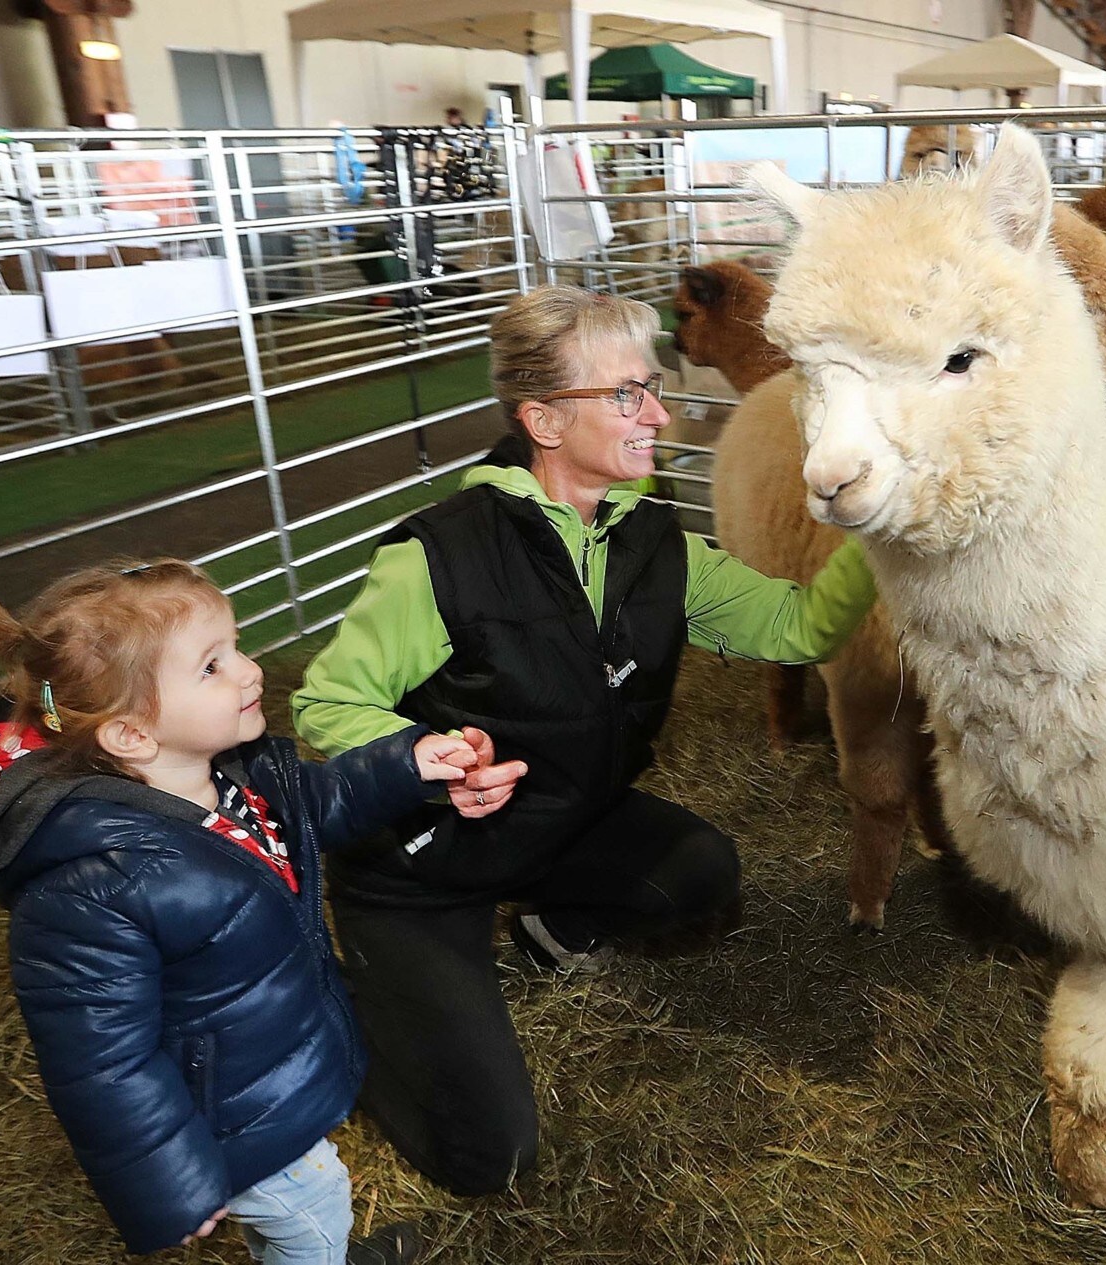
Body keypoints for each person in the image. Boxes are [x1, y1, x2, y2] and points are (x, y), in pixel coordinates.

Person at [290, 285, 881, 1196]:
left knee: (699, 870)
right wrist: (426, 762)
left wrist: (883, 531)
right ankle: (339, 1011)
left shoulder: (654, 542)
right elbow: (329, 702)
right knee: (492, 1157)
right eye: (625, 395)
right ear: (543, 420)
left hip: (553, 821)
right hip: (421, 865)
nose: (660, 411)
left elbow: (799, 628)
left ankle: (548, 923)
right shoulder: (441, 556)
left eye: (650, 385)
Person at [0, 560, 495, 1263]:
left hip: (271, 1067)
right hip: (231, 1115)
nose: (251, 672)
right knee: (315, 1208)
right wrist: (174, 1184)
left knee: (299, 1214)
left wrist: (408, 763)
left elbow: (313, 808)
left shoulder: (228, 781)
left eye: (236, 647)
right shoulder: (93, 888)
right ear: (131, 734)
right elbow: (102, 1062)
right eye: (212, 666)